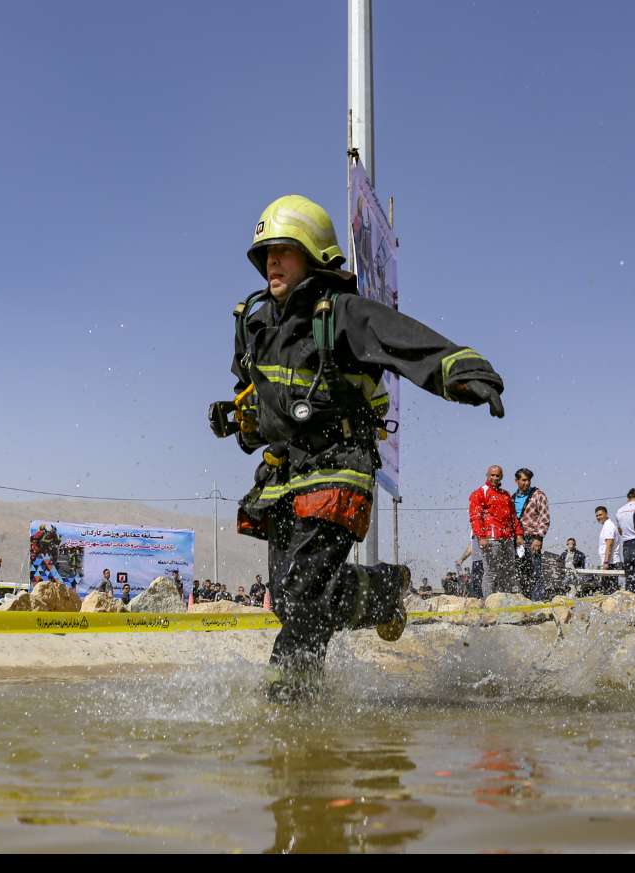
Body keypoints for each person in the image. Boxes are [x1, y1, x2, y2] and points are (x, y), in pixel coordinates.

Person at [209, 194, 506, 701]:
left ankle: (289, 705)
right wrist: (240, 417)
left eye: (284, 250)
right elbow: (263, 400)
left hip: (339, 469)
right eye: (266, 255)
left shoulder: (341, 312)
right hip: (283, 476)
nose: (272, 262)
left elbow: (403, 339)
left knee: (303, 597)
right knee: (290, 597)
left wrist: (458, 368)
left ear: (315, 255)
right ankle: (383, 590)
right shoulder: (257, 327)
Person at [470, 466, 524, 596]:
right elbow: (475, 517)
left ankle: (505, 600)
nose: (495, 478)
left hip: (507, 538)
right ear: (487, 475)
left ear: (501, 477)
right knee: (491, 572)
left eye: (497, 475)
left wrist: (519, 534)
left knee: (509, 571)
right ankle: (489, 602)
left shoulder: (505, 495)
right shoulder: (480, 493)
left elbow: (513, 517)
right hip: (491, 539)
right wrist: (481, 536)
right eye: (492, 475)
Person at [512, 468, 551, 600]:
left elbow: (544, 517)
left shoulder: (538, 495)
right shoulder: (512, 498)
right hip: (517, 540)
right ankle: (525, 599)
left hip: (532, 538)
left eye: (528, 480)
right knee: (520, 572)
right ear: (516, 481)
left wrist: (538, 538)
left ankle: (537, 601)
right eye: (523, 480)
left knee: (535, 570)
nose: (527, 483)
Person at [616, 489, 635, 594]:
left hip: (626, 544)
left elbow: (620, 530)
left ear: (627, 498)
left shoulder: (619, 511)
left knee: (629, 576)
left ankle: (629, 599)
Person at [456, 533, 485, 598]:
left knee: (485, 585)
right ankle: (480, 602)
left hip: (483, 560)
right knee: (476, 586)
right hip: (476, 561)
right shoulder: (473, 529)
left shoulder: (480, 524)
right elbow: (471, 546)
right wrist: (462, 559)